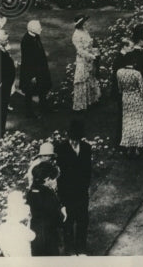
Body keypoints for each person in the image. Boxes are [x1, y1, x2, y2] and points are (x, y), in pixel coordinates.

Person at [56, 119, 93, 256]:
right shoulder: (61, 149)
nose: (73, 142)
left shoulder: (87, 148)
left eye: (76, 139)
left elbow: (88, 170)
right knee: (68, 222)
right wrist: (62, 197)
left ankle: (81, 248)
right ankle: (70, 249)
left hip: (82, 192)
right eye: (71, 139)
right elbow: (60, 175)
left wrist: (85, 187)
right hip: (67, 192)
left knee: (83, 220)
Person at [26, 160, 64, 256]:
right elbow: (55, 215)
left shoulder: (31, 192)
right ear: (47, 179)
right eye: (53, 178)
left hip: (35, 232)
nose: (54, 181)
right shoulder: (48, 193)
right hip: (49, 234)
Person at [116, 55, 143, 156]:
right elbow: (142, 90)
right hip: (137, 99)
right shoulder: (137, 73)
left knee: (128, 121)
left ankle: (128, 145)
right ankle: (137, 146)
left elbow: (119, 88)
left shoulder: (119, 72)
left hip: (126, 98)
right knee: (138, 121)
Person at [19, 20, 52, 118]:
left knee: (42, 88)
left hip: (40, 69)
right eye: (39, 27)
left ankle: (44, 108)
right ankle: (29, 113)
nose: (41, 29)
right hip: (31, 71)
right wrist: (32, 75)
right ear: (32, 29)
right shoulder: (26, 41)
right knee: (29, 92)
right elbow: (28, 60)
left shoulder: (36, 36)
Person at [71, 15, 101, 112]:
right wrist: (91, 56)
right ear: (80, 23)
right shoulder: (76, 35)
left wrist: (95, 51)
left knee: (90, 78)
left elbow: (89, 45)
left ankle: (90, 101)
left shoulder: (85, 31)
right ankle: (80, 105)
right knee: (82, 80)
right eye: (84, 22)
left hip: (89, 59)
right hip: (82, 60)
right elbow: (80, 50)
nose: (86, 23)